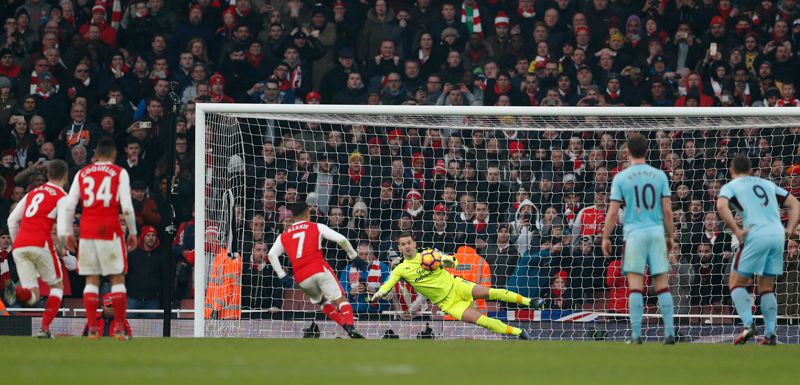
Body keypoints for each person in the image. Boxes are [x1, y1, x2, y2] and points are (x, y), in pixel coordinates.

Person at [370, 232, 541, 340]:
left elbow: (454, 262)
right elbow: (387, 284)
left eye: (409, 242)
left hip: (457, 285)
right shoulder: (400, 269)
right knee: (482, 321)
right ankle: (519, 333)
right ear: (399, 248)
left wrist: (445, 260)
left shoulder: (429, 253)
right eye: (403, 244)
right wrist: (379, 294)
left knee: (492, 292)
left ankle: (530, 302)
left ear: (414, 243)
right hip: (448, 304)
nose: (407, 246)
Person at [57, 138, 138, 340]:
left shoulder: (82, 173)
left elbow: (69, 206)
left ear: (95, 155)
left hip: (88, 231)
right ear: (114, 155)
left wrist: (67, 233)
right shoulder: (120, 172)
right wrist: (133, 232)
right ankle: (119, 328)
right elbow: (127, 207)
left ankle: (93, 328)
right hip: (111, 230)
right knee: (117, 279)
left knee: (91, 281)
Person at [716, 153, 800, 345]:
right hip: (777, 235)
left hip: (756, 234)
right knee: (766, 288)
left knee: (736, 284)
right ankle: (770, 335)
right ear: (752, 170)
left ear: (731, 170)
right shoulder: (767, 184)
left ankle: (748, 325)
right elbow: (795, 204)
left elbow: (721, 206)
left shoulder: (732, 185)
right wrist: (789, 229)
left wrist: (736, 229)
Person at [602, 133, 677, 344]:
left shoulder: (621, 177)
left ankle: (636, 336)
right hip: (655, 233)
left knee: (635, 286)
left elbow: (613, 211)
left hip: (633, 234)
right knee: (662, 285)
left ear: (627, 153)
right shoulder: (660, 175)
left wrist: (605, 236)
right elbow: (667, 210)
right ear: (647, 151)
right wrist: (670, 235)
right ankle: (669, 333)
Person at [267, 201, 366, 338]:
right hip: (318, 268)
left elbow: (271, 255)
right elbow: (341, 239)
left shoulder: (283, 236)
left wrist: (282, 275)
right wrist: (353, 256)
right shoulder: (316, 227)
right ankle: (350, 325)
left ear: (294, 216)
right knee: (341, 300)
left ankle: (344, 325)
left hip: (301, 277)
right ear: (308, 213)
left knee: (322, 301)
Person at [4, 160, 69, 338]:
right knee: (57, 287)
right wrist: (61, 249)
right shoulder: (62, 196)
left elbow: (11, 220)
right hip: (41, 243)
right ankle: (44, 329)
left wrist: (17, 243)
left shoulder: (33, 192)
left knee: (33, 296)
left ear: (48, 175)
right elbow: (62, 229)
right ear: (65, 176)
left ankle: (16, 291)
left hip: (19, 247)